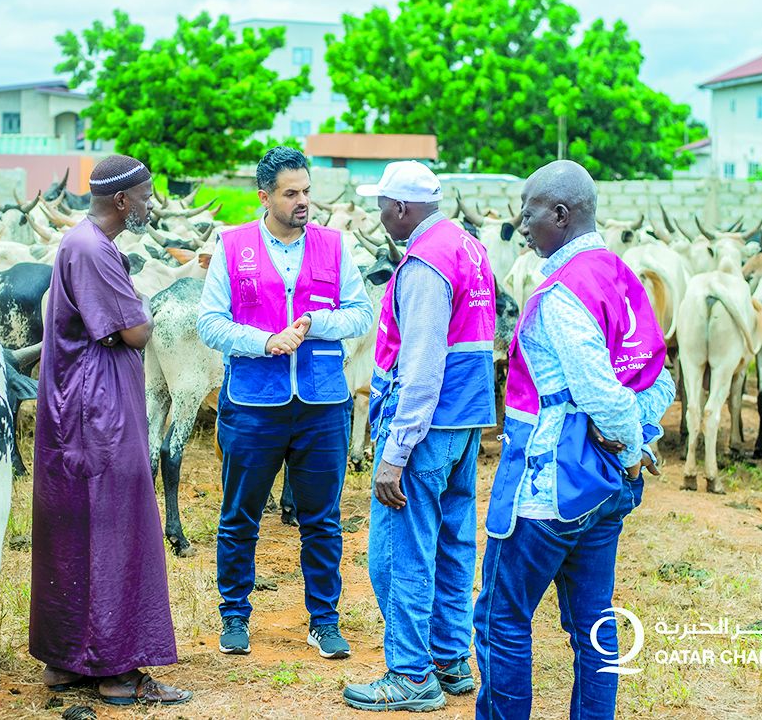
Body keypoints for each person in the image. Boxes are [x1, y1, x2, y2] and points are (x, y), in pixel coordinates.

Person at [473, 160, 675, 720]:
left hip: (549, 490)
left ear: (560, 215)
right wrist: (638, 446)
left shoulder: (562, 294)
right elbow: (659, 379)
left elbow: (601, 394)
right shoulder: (621, 276)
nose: (521, 223)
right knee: (592, 624)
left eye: (529, 211)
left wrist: (630, 450)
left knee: (501, 619)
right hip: (604, 490)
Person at [197, 146, 373, 660]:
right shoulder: (233, 246)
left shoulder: (333, 245)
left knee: (322, 519)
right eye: (291, 193)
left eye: (306, 191)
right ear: (264, 197)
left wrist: (317, 323)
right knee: (240, 515)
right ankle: (234, 615)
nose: (303, 202)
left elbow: (361, 313)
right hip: (254, 402)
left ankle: (324, 621)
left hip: (322, 402)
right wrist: (265, 341)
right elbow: (210, 322)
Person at [29, 154, 191, 707]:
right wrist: (141, 309)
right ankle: (118, 671)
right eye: (145, 196)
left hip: (76, 407)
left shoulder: (79, 242)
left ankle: (67, 661)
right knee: (119, 527)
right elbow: (138, 332)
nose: (151, 204)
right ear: (121, 200)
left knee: (76, 530)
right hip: (99, 411)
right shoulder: (95, 249)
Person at [341, 162, 497, 712]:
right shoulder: (469, 247)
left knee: (400, 553)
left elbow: (423, 364)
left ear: (402, 207)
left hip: (426, 426)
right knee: (453, 545)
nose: (379, 214)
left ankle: (410, 674)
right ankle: (450, 660)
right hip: (466, 420)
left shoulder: (425, 262)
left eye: (382, 205)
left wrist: (396, 451)